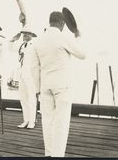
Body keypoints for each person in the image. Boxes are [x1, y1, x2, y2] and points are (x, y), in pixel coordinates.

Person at [29, 11, 86, 157]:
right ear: (62, 23)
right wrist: (78, 36)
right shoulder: (62, 37)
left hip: (45, 85)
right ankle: (57, 155)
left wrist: (37, 88)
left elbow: (34, 67)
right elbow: (82, 54)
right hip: (62, 85)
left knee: (47, 120)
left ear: (50, 22)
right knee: (61, 121)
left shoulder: (38, 40)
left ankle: (48, 153)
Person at [9, 27, 38, 129]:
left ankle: (32, 121)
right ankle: (26, 120)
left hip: (31, 75)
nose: (25, 35)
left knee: (31, 98)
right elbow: (10, 48)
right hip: (21, 74)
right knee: (23, 98)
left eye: (27, 34)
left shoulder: (35, 45)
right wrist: (13, 39)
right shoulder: (21, 45)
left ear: (32, 35)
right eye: (23, 33)